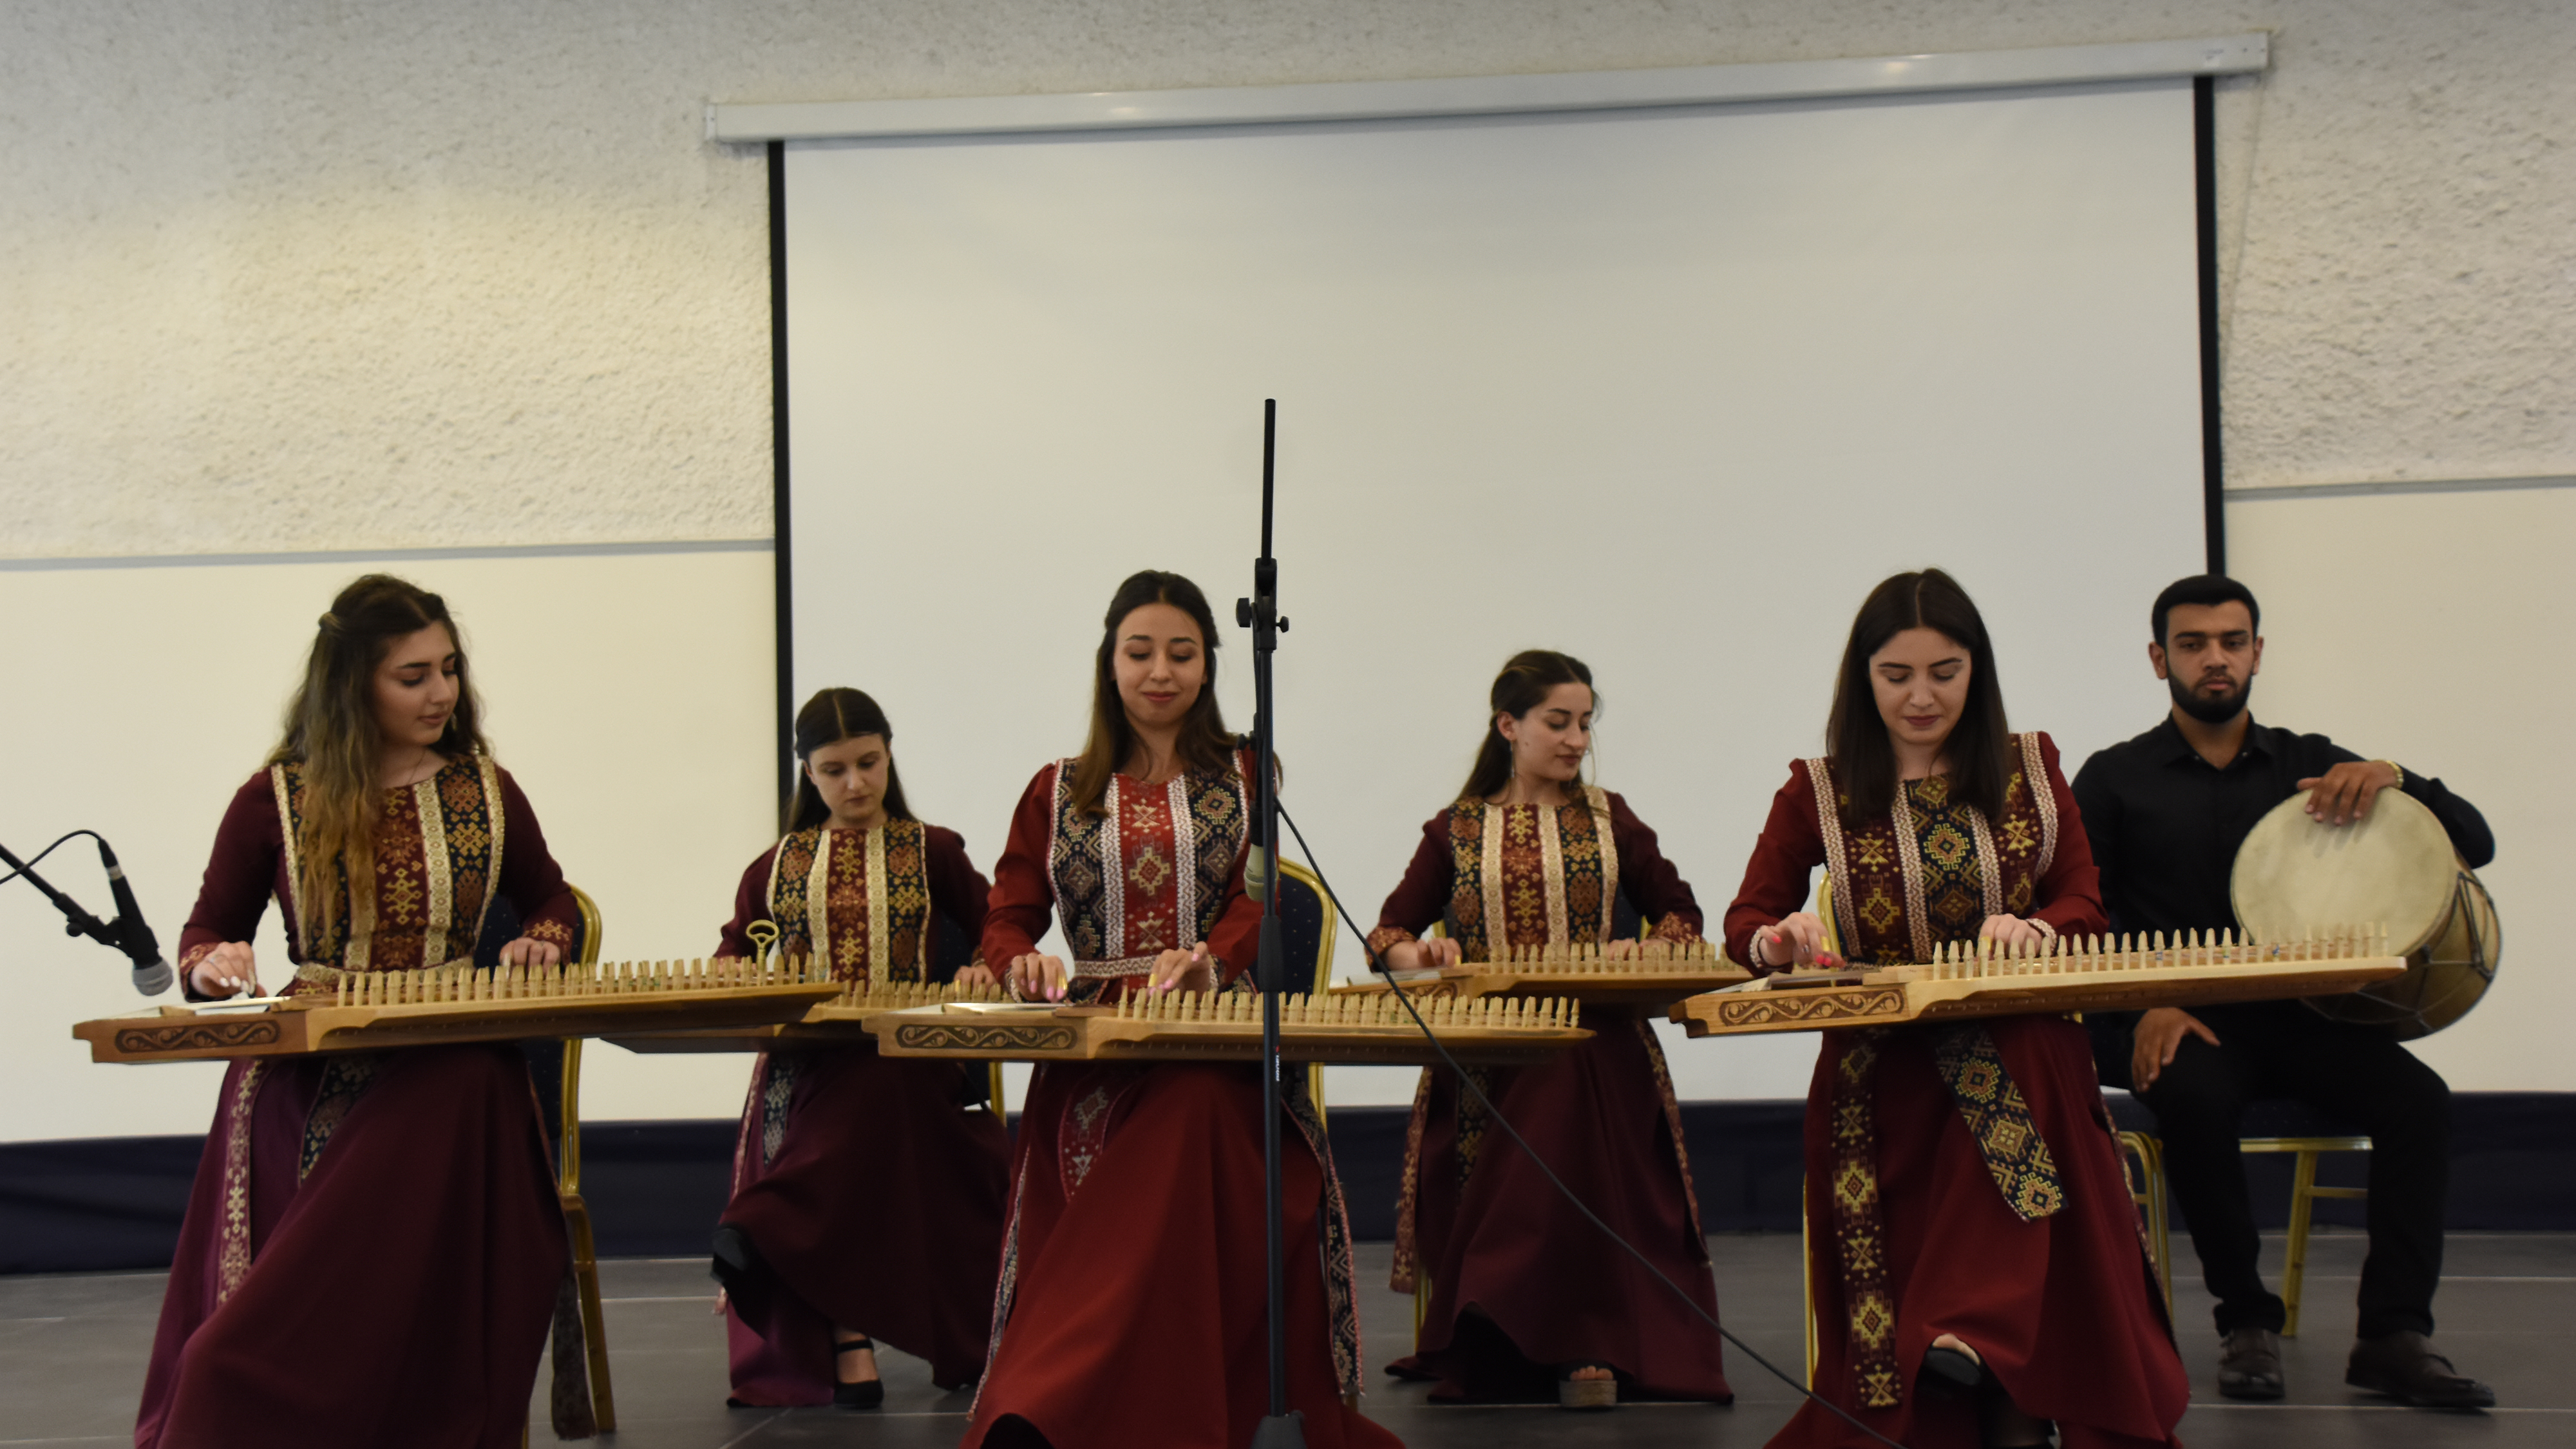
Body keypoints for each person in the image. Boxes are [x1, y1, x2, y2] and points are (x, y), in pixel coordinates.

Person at [1722, 569, 2186, 1449]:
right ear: (1863, 677)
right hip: (1884, 1060)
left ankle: (1968, 1336)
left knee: (2019, 1055)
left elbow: (2083, 901)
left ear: (1978, 670)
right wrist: (1779, 942)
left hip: (2015, 1037)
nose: (1921, 696)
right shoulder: (1818, 789)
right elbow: (1746, 920)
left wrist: (2039, 927)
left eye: (1945, 672)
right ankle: (1986, 1369)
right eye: (1896, 675)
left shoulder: (2028, 767)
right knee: (2003, 1076)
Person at [138, 574, 583, 1449]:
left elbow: (551, 899)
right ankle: (248, 1387)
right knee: (320, 1117)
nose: (441, 692)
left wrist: (542, 939)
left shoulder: (486, 790)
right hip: (310, 1059)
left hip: (452, 1045)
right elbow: (206, 932)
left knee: (462, 1082)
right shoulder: (274, 798)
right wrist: (212, 965)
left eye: (448, 669)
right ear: (352, 684)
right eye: (413, 676)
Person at [963, 570, 1399, 1449]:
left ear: (1208, 665)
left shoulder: (1244, 773)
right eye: (1140, 651)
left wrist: (1211, 961)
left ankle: (1054, 1404)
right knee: (1159, 1127)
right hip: (1095, 1040)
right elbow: (1007, 915)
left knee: (1195, 1107)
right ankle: (1059, 1402)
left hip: (1214, 1029)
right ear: (1109, 662)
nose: (1160, 671)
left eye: (1182, 653)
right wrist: (1019, 962)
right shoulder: (1058, 787)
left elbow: (1256, 897)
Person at [2072, 574, 2497, 1409]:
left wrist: (2395, 775)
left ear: (2257, 652)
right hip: (2179, 1019)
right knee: (2194, 1095)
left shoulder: (2314, 765)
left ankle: (2393, 1335)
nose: (2215, 658)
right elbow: (2080, 916)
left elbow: (2474, 842)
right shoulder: (2114, 778)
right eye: (2193, 644)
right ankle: (2245, 1321)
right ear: (2159, 659)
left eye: (2232, 642)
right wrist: (2138, 1007)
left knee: (2419, 1100)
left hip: (2305, 1019)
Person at [1366, 649, 1730, 1410]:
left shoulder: (1609, 817)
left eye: (1585, 724)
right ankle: (1538, 1331)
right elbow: (1389, 934)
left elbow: (1680, 913)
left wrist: (1650, 948)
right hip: (1489, 1044)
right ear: (1509, 726)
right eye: (1558, 723)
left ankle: (1545, 1327)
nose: (1577, 741)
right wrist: (1418, 955)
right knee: (1553, 1076)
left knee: (1572, 1068)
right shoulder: (1458, 828)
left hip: (1598, 1036)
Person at [707, 687, 1009, 1408]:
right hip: (807, 1064)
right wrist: (741, 978)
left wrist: (983, 965)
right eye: (834, 770)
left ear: (889, 756)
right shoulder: (775, 866)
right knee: (857, 1100)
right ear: (808, 774)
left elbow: (999, 926)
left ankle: (764, 1225)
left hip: (909, 1056)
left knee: (879, 1085)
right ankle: (843, 1327)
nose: (855, 784)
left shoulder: (932, 850)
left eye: (868, 763)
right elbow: (730, 955)